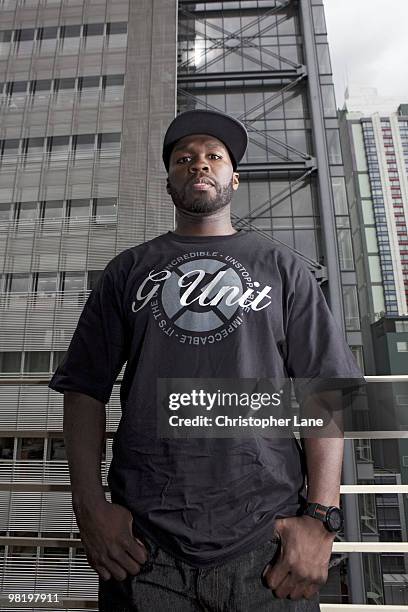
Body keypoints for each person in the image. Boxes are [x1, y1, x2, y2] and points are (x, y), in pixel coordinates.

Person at [48, 109, 365, 611]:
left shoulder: (283, 268)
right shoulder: (128, 270)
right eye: (184, 158)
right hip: (144, 548)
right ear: (169, 179)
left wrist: (321, 518)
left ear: (233, 178)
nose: (199, 165)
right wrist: (89, 508)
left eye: (213, 157)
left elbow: (323, 389)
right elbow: (84, 389)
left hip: (267, 546)